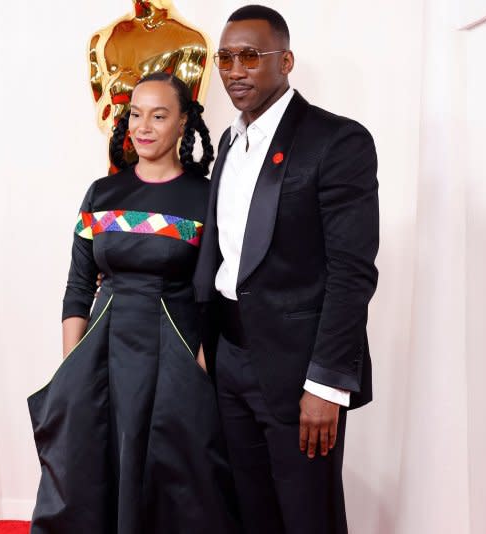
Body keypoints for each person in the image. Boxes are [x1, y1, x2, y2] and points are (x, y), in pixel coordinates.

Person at [192, 5, 379, 534]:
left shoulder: (338, 142)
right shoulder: (229, 140)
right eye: (224, 57)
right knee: (250, 510)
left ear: (287, 60)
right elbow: (225, 253)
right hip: (229, 359)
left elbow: (352, 273)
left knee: (307, 516)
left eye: (250, 56)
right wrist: (208, 339)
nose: (234, 70)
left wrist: (326, 384)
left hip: (299, 372)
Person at [27, 72, 240, 534]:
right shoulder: (102, 194)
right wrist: (71, 368)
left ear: (183, 122)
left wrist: (203, 364)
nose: (143, 126)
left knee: (180, 482)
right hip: (101, 354)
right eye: (136, 114)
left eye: (159, 115)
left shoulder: (205, 198)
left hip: (176, 354)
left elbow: (217, 290)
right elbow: (78, 284)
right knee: (88, 474)